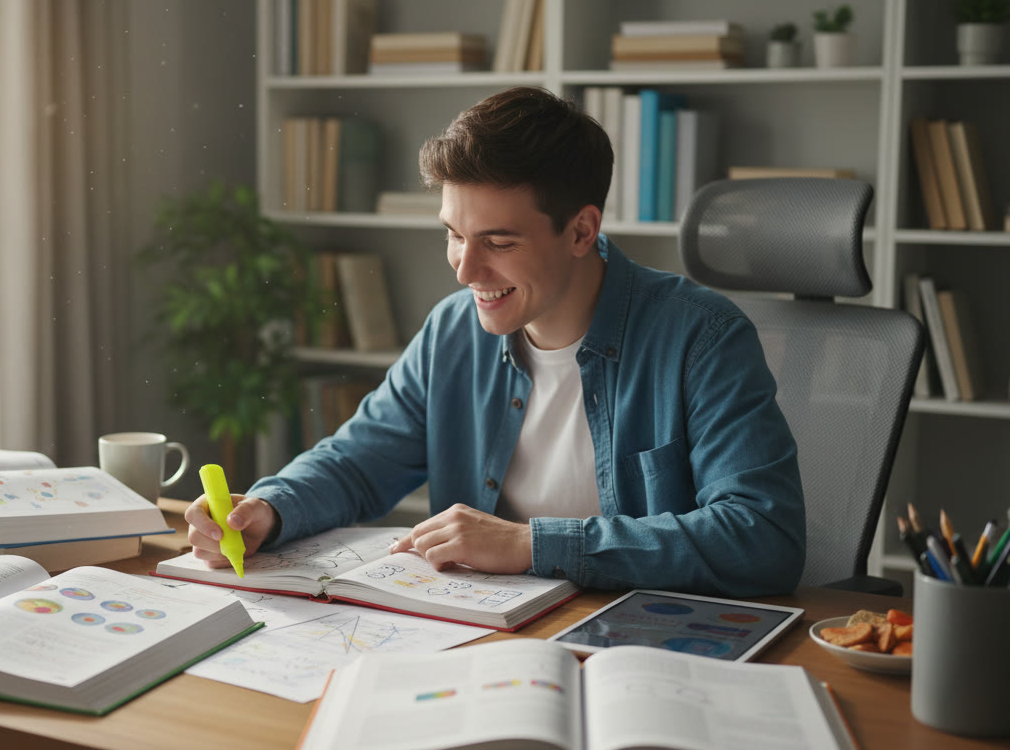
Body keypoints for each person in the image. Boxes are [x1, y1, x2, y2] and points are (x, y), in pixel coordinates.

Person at [186, 86, 805, 596]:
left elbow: (760, 537)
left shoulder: (703, 337)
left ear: (581, 230)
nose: (464, 269)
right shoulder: (454, 330)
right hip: (492, 635)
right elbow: (355, 463)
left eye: (498, 243)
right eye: (454, 233)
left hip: (646, 641)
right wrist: (268, 508)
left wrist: (531, 543)